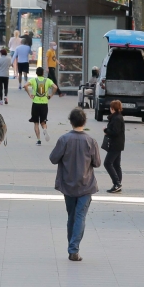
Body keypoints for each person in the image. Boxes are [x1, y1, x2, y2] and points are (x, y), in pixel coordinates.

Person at [49, 108, 102, 262]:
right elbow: (97, 163)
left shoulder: (64, 139)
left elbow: (53, 158)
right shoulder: (90, 141)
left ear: (70, 121)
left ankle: (72, 247)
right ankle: (74, 249)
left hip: (68, 184)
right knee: (80, 216)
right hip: (86, 185)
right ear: (84, 122)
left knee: (72, 216)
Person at [24, 66, 56, 145]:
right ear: (43, 73)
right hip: (44, 103)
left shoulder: (33, 80)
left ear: (36, 73)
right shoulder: (47, 80)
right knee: (43, 121)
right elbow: (55, 87)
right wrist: (51, 95)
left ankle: (38, 140)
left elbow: (25, 85)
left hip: (35, 103)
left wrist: (29, 94)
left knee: (36, 123)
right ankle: (44, 129)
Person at [102, 100, 125, 193]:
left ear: (112, 109)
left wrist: (106, 130)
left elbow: (115, 132)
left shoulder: (116, 118)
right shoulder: (118, 117)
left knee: (107, 163)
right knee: (116, 164)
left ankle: (117, 183)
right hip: (118, 144)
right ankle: (118, 184)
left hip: (115, 144)